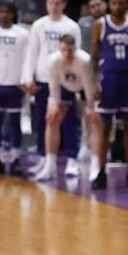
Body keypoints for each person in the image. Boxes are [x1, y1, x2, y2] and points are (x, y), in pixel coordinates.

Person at [33, 34, 104, 185]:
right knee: (52, 118)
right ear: (60, 49)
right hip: (65, 87)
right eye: (64, 50)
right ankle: (50, 165)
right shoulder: (53, 61)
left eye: (70, 50)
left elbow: (88, 86)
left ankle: (95, 163)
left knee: (95, 120)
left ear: (75, 48)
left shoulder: (83, 60)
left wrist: (90, 107)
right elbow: (53, 86)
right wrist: (54, 104)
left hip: (86, 87)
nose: (67, 54)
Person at [25, 0, 83, 174]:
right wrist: (28, 78)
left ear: (64, 4)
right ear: (46, 3)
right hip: (43, 77)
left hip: (64, 79)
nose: (54, 7)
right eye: (50, 3)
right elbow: (32, 53)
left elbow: (77, 54)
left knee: (68, 120)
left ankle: (72, 158)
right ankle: (44, 156)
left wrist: (75, 79)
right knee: (43, 119)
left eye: (57, 3)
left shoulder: (72, 26)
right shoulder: (38, 25)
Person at [0, 2, 34, 177]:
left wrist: (25, 80)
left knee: (15, 123)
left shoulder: (23, 34)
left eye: (8, 12)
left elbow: (28, 59)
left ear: (14, 14)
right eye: (1, 11)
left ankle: (16, 158)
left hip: (15, 84)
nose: (4, 15)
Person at [89, 0, 128, 190]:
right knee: (104, 128)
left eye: (121, 3)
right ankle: (101, 172)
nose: (117, 6)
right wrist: (94, 83)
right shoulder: (100, 25)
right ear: (109, 5)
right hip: (108, 79)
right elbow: (94, 56)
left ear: (127, 5)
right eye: (114, 3)